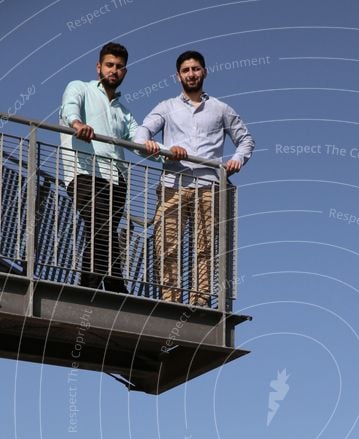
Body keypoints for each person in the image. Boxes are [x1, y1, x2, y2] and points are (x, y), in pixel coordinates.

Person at [134, 50, 255, 305]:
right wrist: (163, 150)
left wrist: (237, 160)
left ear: (205, 72)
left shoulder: (220, 109)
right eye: (186, 70)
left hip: (209, 186)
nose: (191, 74)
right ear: (178, 76)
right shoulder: (166, 107)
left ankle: (199, 301)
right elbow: (140, 136)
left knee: (205, 247)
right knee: (166, 244)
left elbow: (246, 140)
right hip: (173, 185)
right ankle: (171, 299)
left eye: (196, 69)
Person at [59, 42, 157, 292]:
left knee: (101, 232)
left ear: (125, 72)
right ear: (98, 67)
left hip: (117, 180)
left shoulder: (123, 112)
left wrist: (168, 154)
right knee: (100, 223)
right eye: (109, 65)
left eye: (119, 67)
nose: (114, 70)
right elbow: (69, 107)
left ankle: (88, 286)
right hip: (84, 173)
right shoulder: (80, 87)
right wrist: (78, 123)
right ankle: (115, 287)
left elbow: (138, 142)